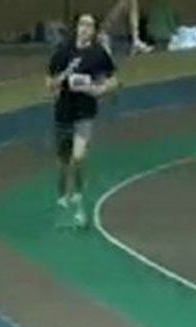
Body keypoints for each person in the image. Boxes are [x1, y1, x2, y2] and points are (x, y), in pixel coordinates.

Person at [46, 13, 119, 229]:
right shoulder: (64, 51)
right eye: (82, 24)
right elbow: (49, 79)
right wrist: (56, 84)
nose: (85, 28)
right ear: (77, 27)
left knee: (78, 158)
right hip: (63, 113)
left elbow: (113, 79)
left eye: (90, 25)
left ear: (95, 30)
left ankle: (78, 195)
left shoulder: (99, 54)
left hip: (85, 113)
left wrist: (100, 89)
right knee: (63, 162)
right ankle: (62, 199)